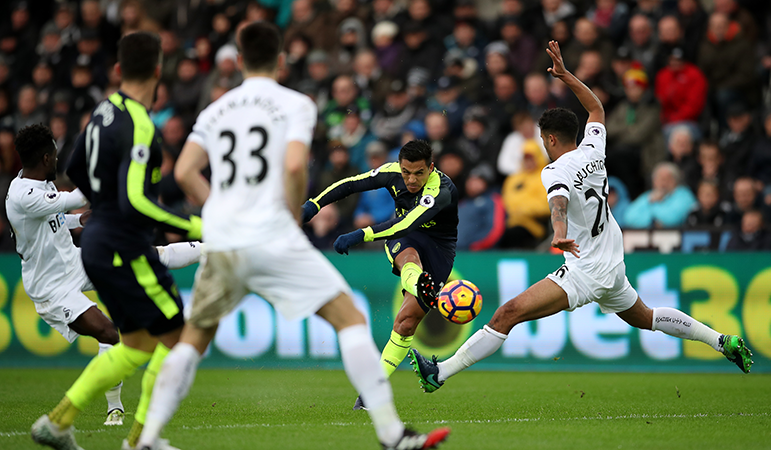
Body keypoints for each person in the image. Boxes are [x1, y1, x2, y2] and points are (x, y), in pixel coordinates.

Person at [136, 22, 449, 450]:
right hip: (272, 233)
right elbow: (296, 164)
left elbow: (185, 172)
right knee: (350, 319)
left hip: (227, 237)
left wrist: (222, 213)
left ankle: (147, 438)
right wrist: (294, 211)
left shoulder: (216, 110)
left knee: (194, 337)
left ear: (240, 61)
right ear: (281, 61)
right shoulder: (295, 103)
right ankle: (391, 434)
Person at [408, 40, 753, 396]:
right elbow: (597, 108)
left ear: (551, 138)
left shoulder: (555, 169)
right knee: (646, 317)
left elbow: (558, 201)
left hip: (586, 268)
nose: (543, 145)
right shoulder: (594, 149)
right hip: (611, 261)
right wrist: (566, 75)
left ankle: (441, 372)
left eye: (544, 140)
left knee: (507, 313)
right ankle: (721, 340)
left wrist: (558, 232)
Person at [31, 32, 204, 450]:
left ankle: (57, 422)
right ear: (159, 72)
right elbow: (137, 202)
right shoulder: (140, 124)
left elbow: (74, 166)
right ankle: (141, 440)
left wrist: (104, 208)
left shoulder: (101, 112)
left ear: (118, 70)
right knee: (178, 340)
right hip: (123, 245)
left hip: (94, 243)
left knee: (139, 343)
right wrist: (198, 227)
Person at [8, 124, 202, 428]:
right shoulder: (22, 195)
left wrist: (78, 220)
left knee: (150, 254)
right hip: (51, 286)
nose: (58, 161)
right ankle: (114, 408)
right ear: (46, 158)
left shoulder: (38, 183)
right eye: (56, 156)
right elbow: (70, 199)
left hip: (74, 261)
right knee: (110, 333)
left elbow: (55, 216)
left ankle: (211, 248)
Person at [303, 135, 458, 410]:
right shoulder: (391, 172)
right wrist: (314, 204)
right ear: (399, 166)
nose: (411, 180)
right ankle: (370, 396)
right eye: (406, 172)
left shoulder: (440, 190)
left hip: (438, 249)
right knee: (409, 256)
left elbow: (406, 222)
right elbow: (351, 184)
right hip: (406, 242)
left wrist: (361, 234)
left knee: (405, 324)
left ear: (431, 168)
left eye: (419, 173)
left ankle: (416, 282)